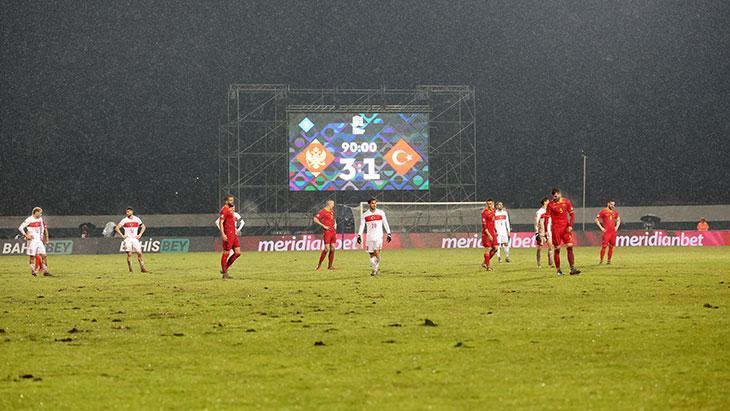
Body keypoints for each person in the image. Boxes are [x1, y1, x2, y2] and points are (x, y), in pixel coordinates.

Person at [546, 188, 581, 276]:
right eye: (554, 196)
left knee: (570, 246)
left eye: (556, 195)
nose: (555, 197)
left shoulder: (566, 202)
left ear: (560, 194)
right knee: (557, 249)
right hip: (556, 229)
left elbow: (572, 214)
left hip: (565, 228)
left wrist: (570, 226)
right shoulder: (550, 204)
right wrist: (547, 230)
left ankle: (572, 269)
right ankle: (558, 270)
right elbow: (547, 218)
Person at [357, 198, 392, 276]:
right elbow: (362, 225)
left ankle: (375, 270)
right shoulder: (365, 214)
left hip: (378, 236)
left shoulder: (381, 212)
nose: (374, 205)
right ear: (369, 204)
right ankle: (374, 268)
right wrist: (359, 235)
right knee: (371, 255)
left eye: (375, 203)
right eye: (372, 203)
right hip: (369, 237)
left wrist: (389, 233)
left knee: (377, 252)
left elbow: (385, 223)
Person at [114, 207, 150, 273]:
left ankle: (142, 268)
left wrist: (140, 234)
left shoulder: (137, 219)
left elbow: (143, 227)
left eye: (128, 211)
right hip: (128, 239)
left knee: (139, 253)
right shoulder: (124, 220)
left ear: (132, 212)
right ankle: (131, 270)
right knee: (129, 254)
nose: (127, 213)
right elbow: (116, 228)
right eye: (126, 212)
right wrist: (122, 235)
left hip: (135, 239)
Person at [18, 207, 52, 277]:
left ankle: (45, 271)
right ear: (36, 212)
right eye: (40, 213)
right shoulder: (29, 219)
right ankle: (33, 271)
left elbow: (42, 227)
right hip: (32, 241)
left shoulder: (40, 219)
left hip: (39, 241)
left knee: (44, 255)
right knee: (32, 256)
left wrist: (41, 236)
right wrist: (26, 235)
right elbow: (20, 227)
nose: (41, 214)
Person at [218, 195, 241, 279]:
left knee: (238, 253)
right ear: (226, 201)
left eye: (232, 200)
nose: (232, 202)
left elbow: (231, 221)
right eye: (230, 200)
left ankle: (224, 269)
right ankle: (225, 274)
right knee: (226, 253)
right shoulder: (224, 210)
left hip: (233, 234)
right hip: (228, 234)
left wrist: (235, 229)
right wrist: (223, 234)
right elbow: (221, 223)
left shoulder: (230, 209)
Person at [313, 200, 337, 270]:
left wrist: (335, 224)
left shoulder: (331, 211)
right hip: (327, 232)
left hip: (333, 231)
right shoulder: (323, 211)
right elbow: (315, 219)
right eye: (333, 204)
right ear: (329, 204)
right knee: (327, 249)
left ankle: (330, 266)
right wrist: (323, 225)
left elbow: (333, 219)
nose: (333, 205)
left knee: (333, 248)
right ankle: (319, 265)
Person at [595, 199, 621, 265]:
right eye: (611, 204)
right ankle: (601, 261)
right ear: (608, 204)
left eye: (613, 205)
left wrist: (616, 227)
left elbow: (618, 220)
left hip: (613, 232)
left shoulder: (614, 212)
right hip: (606, 232)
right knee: (604, 246)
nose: (613, 206)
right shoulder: (603, 211)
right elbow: (596, 220)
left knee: (611, 246)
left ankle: (609, 261)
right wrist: (601, 228)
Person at [535, 197, 554, 268]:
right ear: (545, 202)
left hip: (548, 232)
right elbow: (536, 223)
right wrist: (537, 233)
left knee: (551, 247)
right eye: (548, 201)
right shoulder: (539, 212)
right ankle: (539, 264)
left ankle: (550, 264)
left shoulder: (549, 211)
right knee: (539, 248)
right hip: (541, 232)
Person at [480, 199, 498, 271]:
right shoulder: (484, 213)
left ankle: (484, 263)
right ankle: (488, 266)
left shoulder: (493, 211)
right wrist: (489, 235)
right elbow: (484, 226)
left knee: (496, 248)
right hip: (486, 234)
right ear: (486, 204)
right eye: (488, 204)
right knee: (487, 249)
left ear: (493, 203)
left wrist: (495, 230)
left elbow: (493, 222)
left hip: (492, 233)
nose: (489, 205)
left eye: (490, 204)